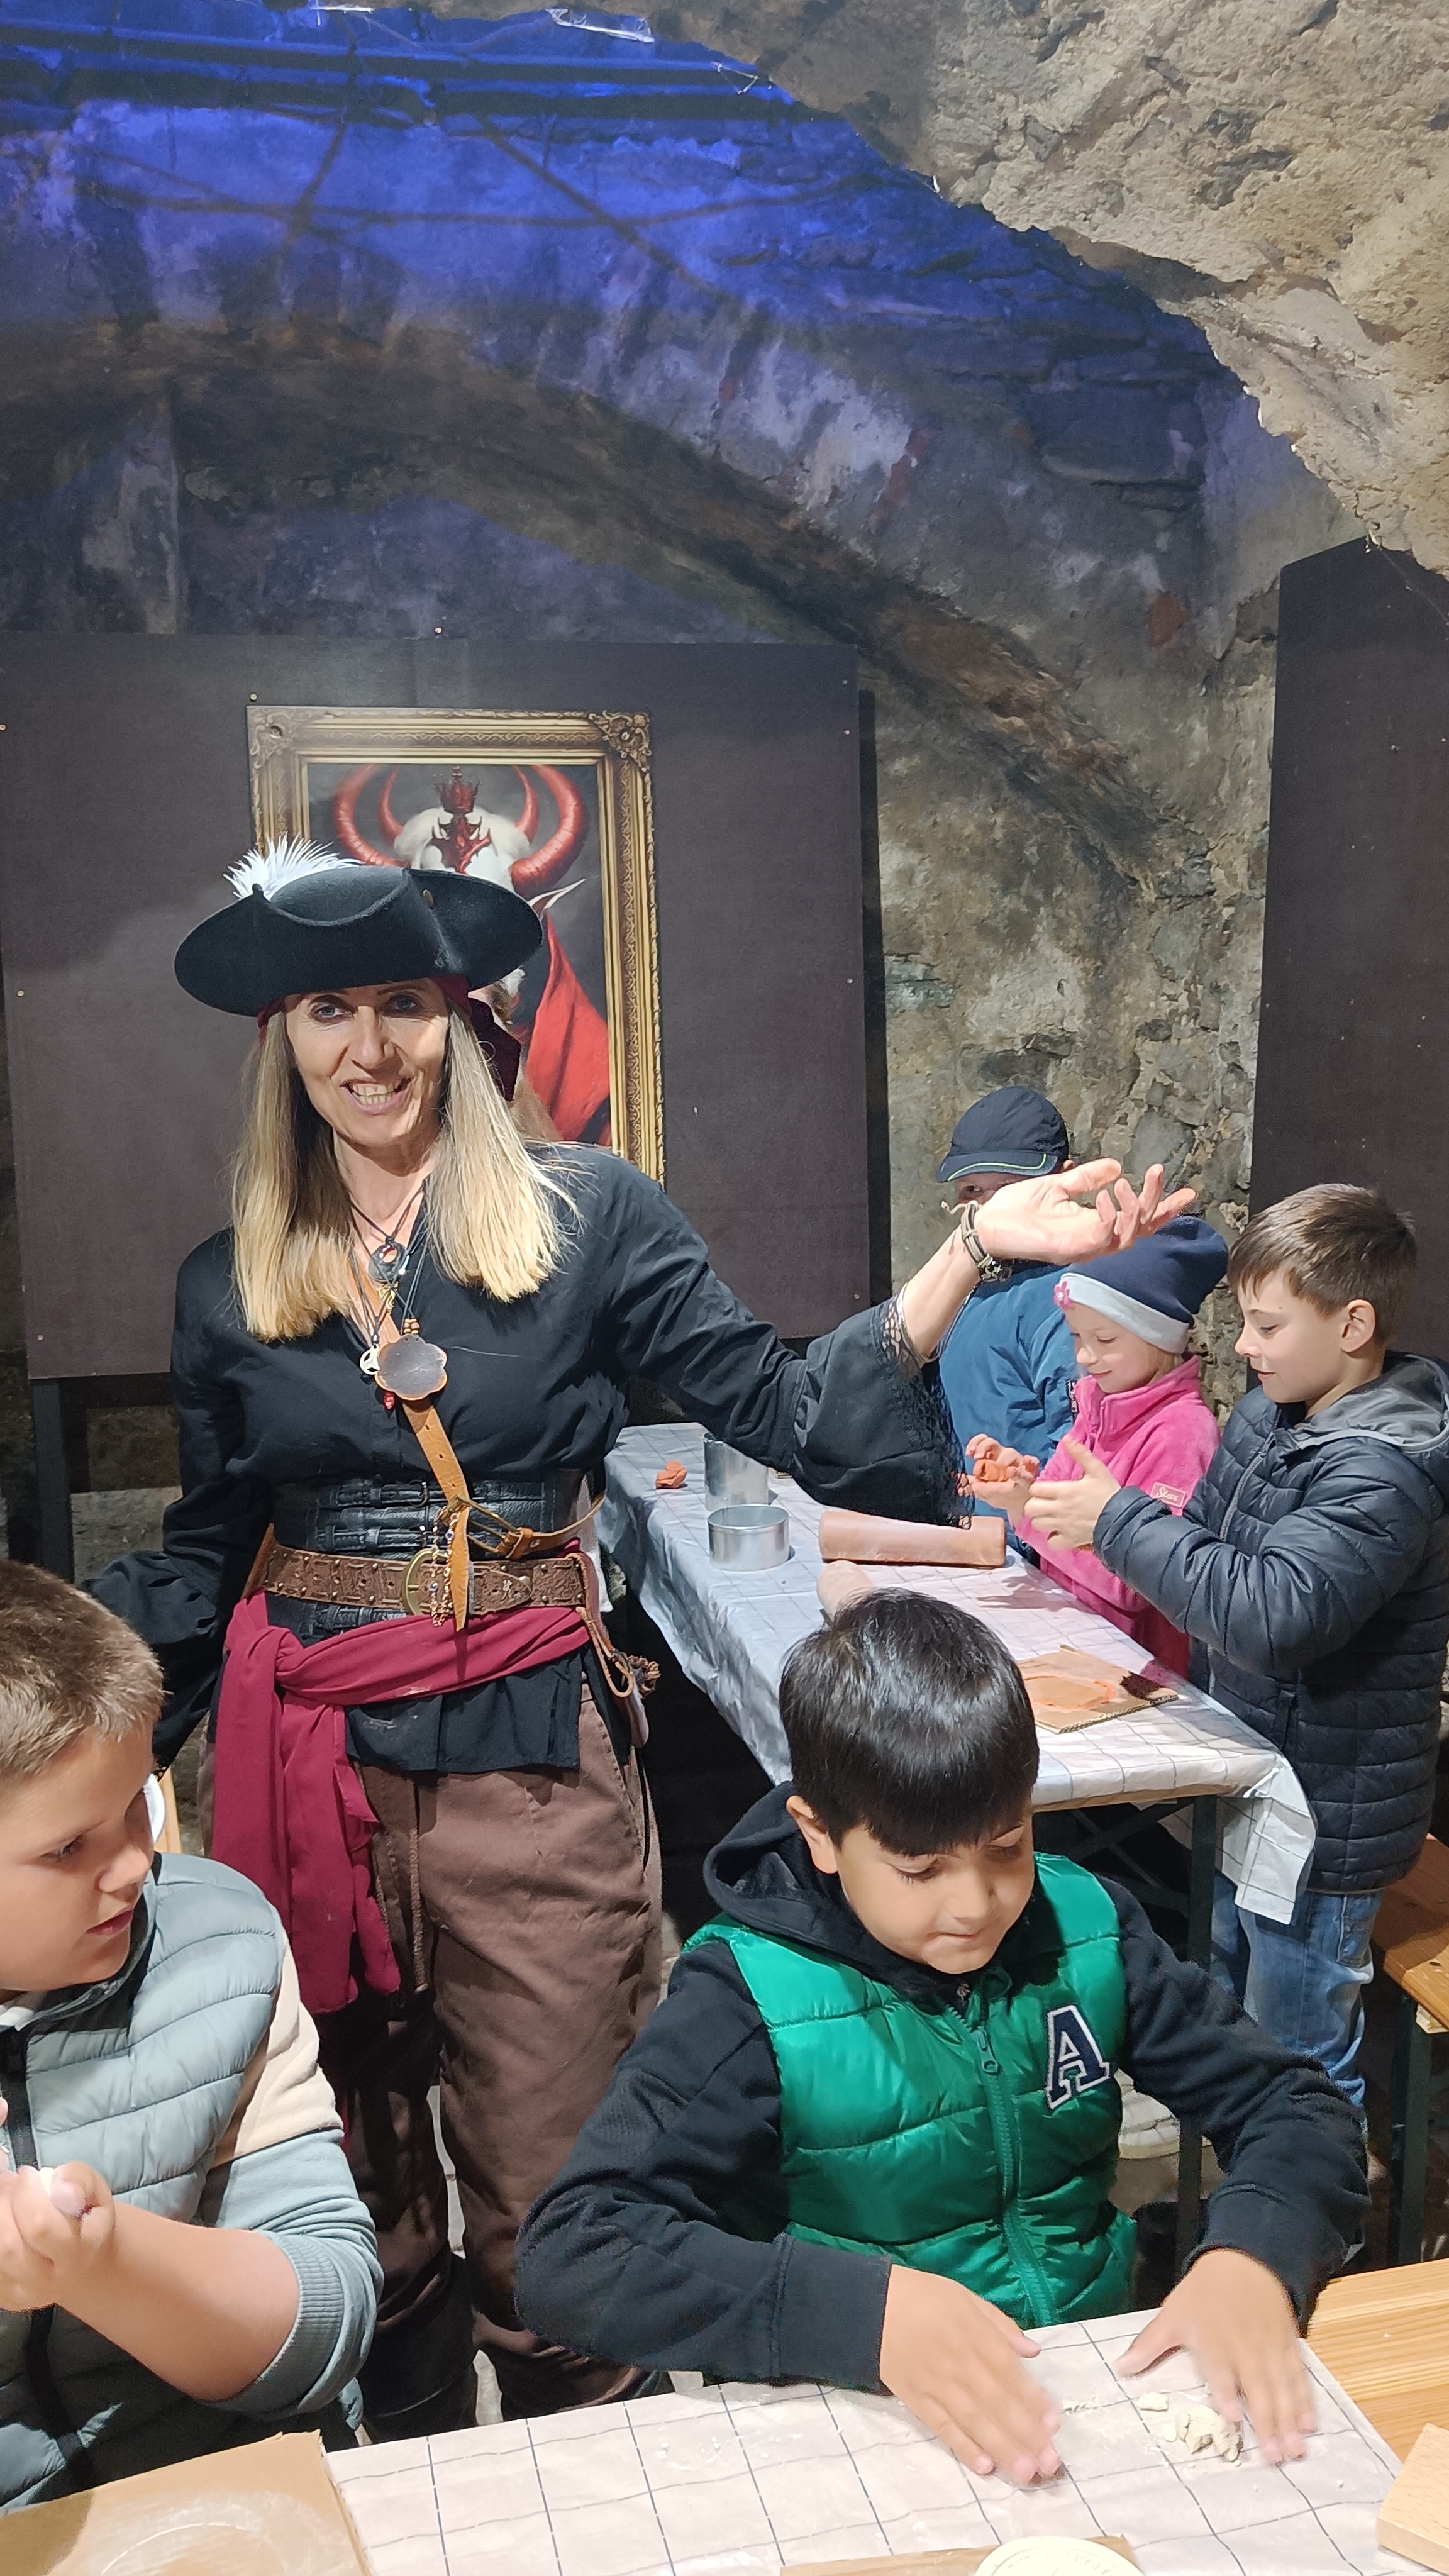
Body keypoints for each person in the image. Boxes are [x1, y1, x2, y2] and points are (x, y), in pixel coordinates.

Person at [89, 844, 1192, 2435]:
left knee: (562, 2213)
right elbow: (206, 1550)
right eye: (329, 1008)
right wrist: (74, 1750)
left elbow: (792, 1413)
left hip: (532, 1772)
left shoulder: (587, 1215)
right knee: (359, 2205)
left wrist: (974, 1251)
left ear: (456, 1020)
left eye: (402, 1001)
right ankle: (414, 2478)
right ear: (283, 1039)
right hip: (311, 1780)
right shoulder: (227, 1280)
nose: (369, 1045)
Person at [514, 1592, 1365, 2481]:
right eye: (920, 1869)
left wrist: (1254, 2252)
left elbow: (1297, 2105)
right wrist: (863, 2316)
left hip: (1083, 2393)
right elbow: (573, 2252)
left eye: (1008, 1845)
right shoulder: (748, 1998)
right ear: (820, 1836)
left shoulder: (1084, 1927)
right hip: (856, 2426)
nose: (975, 1903)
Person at [1024, 1184, 1449, 2111]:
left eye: (1266, 1325)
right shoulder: (1272, 1415)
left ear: (1353, 1324)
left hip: (1325, 1813)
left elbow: (1271, 1616)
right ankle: (1235, 2173)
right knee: (1227, 1999)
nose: (1244, 1346)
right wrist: (1117, 1521)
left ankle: (1311, 2193)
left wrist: (1119, 1521)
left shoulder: (1383, 1468)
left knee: (1299, 2048)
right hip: (1253, 1770)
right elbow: (1205, 1549)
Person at [0, 1564, 379, 2512]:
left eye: (139, 1802)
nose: (135, 1864)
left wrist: (101, 2260)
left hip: (226, 2491)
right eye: (67, 1848)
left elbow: (328, 2314)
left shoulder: (219, 1947)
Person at [967, 1216, 1226, 1674]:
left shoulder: (1183, 1433)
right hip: (1074, 1641)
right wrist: (1020, 1493)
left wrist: (1034, 1515)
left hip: (1136, 1672)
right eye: (1076, 1337)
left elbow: (1140, 1582)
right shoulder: (1094, 1408)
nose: (1086, 1357)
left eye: (1105, 1339)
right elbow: (1055, 1515)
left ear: (1158, 1334)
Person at [934, 1087, 1079, 1513]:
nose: (991, 1208)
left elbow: (1077, 1454)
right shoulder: (966, 1280)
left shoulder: (1068, 1300)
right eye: (974, 1189)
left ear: (1066, 1181)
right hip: (954, 1527)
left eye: (1012, 1190)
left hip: (1024, 1540)